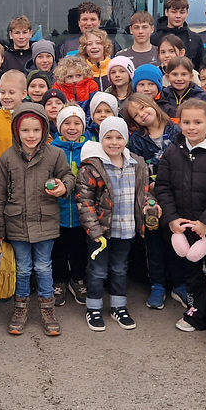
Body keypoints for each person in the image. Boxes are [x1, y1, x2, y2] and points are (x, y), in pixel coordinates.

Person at [157, 99, 206, 353]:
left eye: (198, 122)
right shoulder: (172, 151)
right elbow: (163, 187)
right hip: (184, 226)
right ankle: (195, 313)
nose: (191, 127)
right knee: (190, 273)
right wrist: (172, 218)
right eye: (186, 122)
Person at [0, 102, 74, 337]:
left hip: (45, 222)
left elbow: (68, 176)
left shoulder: (55, 154)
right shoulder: (7, 158)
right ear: (16, 131)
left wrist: (63, 187)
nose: (31, 135)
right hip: (16, 222)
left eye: (36, 130)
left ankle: (47, 310)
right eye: (25, 130)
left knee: (43, 266)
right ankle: (20, 309)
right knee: (23, 268)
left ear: (45, 131)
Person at [75, 117, 155, 331]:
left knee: (120, 268)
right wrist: (93, 229)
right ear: (101, 139)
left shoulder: (137, 163)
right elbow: (85, 201)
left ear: (126, 139)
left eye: (119, 137)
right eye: (108, 137)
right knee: (98, 269)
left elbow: (143, 194)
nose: (113, 142)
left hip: (126, 228)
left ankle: (119, 306)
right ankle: (94, 307)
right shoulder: (92, 166)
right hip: (100, 231)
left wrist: (149, 206)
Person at [124, 93, 183, 308]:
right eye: (136, 115)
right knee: (154, 242)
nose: (142, 114)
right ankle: (157, 284)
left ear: (152, 104)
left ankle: (180, 284)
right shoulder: (137, 141)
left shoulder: (177, 131)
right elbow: (138, 173)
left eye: (143, 108)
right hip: (151, 200)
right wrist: (149, 191)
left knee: (177, 240)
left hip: (178, 198)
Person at [51, 105, 91, 307]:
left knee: (79, 248)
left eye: (77, 123)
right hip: (57, 210)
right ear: (59, 126)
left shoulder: (91, 147)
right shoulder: (52, 148)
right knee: (58, 248)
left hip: (81, 211)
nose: (72, 127)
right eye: (67, 123)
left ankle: (78, 279)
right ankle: (59, 280)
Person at [0, 70, 27, 161]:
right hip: (1, 169)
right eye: (2, 92)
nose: (6, 96)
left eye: (11, 92)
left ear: (23, 94)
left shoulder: (30, 117)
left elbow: (45, 141)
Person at [150, 0, 205, 68]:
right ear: (166, 12)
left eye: (182, 12)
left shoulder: (195, 39)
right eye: (174, 12)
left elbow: (200, 66)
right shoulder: (154, 39)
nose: (178, 16)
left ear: (187, 13)